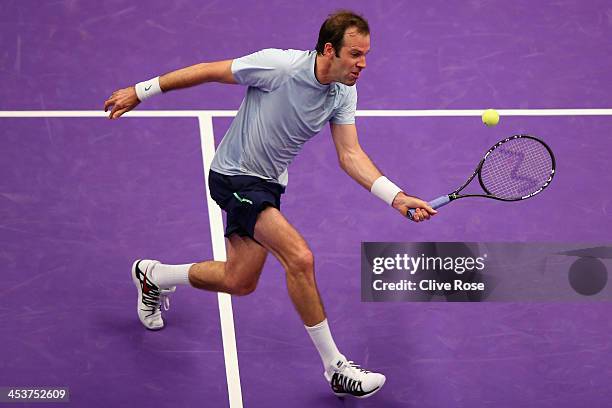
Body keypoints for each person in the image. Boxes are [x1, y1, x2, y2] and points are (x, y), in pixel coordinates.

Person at [104, 10, 436, 399]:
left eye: (366, 55)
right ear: (329, 50)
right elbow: (210, 70)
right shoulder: (278, 66)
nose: (363, 64)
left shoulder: (344, 92)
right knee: (300, 257)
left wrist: (394, 197)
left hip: (269, 185)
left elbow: (350, 155)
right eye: (355, 54)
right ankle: (336, 368)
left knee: (239, 281)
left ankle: (154, 276)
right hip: (234, 176)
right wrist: (141, 92)